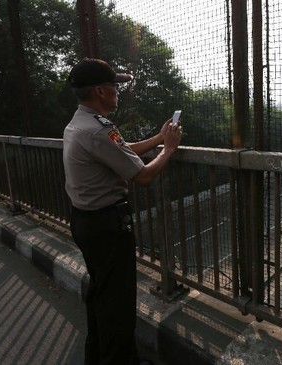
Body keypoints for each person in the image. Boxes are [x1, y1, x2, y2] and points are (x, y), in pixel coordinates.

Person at [63, 58, 181, 365]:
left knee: (101, 294)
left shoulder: (80, 123)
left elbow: (121, 149)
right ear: (101, 91)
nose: (119, 91)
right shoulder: (99, 130)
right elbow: (142, 176)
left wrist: (157, 138)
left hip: (85, 221)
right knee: (118, 303)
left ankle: (98, 356)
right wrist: (168, 149)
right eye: (115, 86)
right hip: (106, 227)